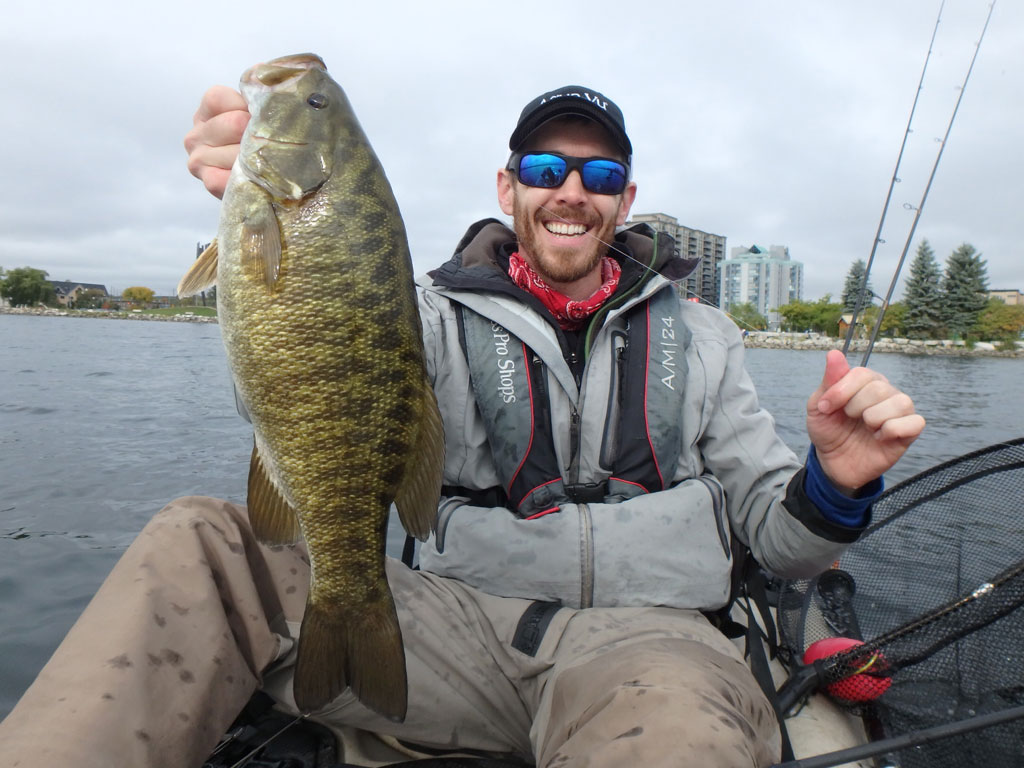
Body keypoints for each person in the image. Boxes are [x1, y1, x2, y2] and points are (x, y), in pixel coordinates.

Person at [0, 82, 924, 768]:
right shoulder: (423, 313)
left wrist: (834, 482)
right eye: (543, 167)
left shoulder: (706, 336)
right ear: (508, 184)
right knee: (199, 540)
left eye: (599, 172)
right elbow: (312, 357)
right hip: (446, 632)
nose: (571, 189)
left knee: (677, 731)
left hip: (651, 645)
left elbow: (781, 538)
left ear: (625, 200)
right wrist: (267, 222)